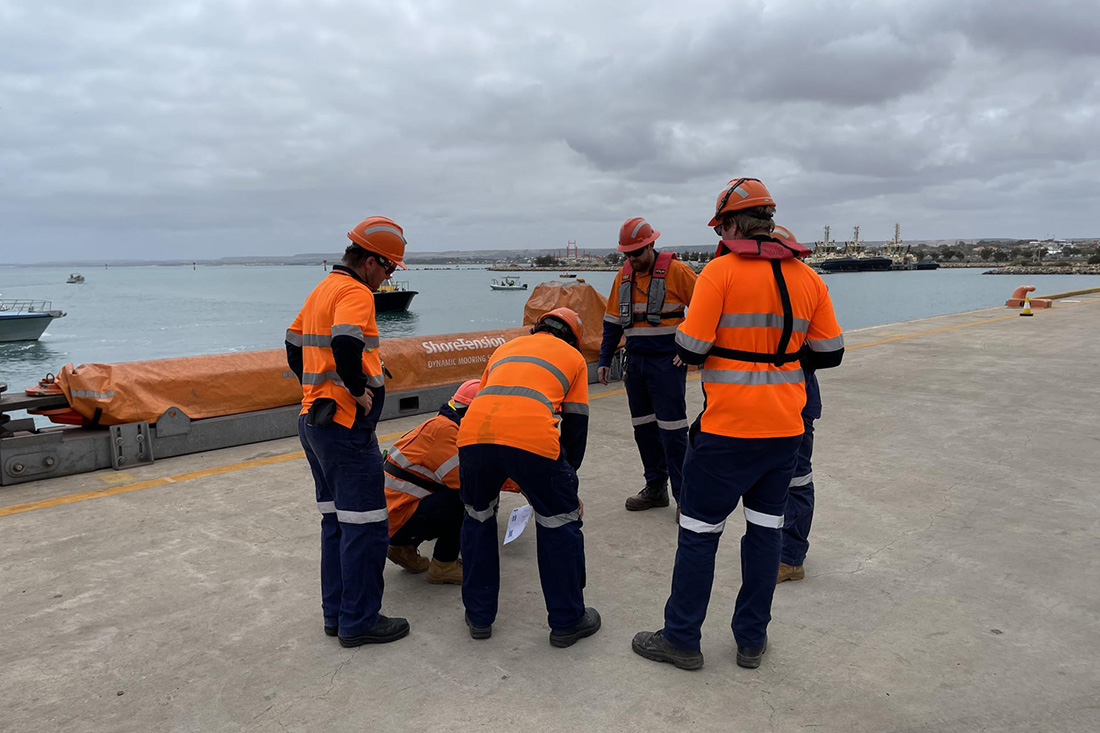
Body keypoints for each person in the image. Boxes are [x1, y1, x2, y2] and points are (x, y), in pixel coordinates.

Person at [631, 179, 844, 671]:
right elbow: (830, 353)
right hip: (785, 430)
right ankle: (751, 640)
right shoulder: (808, 277)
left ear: (729, 226)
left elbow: (688, 349)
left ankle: (681, 638)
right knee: (766, 532)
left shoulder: (719, 273)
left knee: (699, 533)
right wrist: (781, 356)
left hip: (727, 432)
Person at [285, 215, 410, 648]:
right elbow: (345, 344)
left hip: (312, 421)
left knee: (336, 523)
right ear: (371, 261)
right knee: (368, 525)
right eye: (390, 268)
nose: (388, 277)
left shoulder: (322, 289)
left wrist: (315, 385)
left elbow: (292, 343)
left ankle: (336, 615)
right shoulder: (356, 292)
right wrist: (355, 391)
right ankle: (360, 621)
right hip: (342, 426)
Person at [456, 307, 600, 647]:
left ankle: (478, 616)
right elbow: (576, 425)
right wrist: (567, 480)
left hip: (474, 435)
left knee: (477, 519)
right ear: (573, 338)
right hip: (532, 440)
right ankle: (567, 621)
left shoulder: (505, 348)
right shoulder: (573, 358)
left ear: (538, 328)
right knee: (558, 523)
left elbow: (487, 396)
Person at [597, 217, 697, 512]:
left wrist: (689, 349)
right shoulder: (623, 278)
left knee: (673, 432)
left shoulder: (677, 272)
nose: (632, 259)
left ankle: (685, 499)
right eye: (627, 254)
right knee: (644, 430)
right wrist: (604, 359)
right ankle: (655, 488)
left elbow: (708, 308)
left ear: (651, 245)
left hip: (667, 364)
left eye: (637, 253)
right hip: (636, 365)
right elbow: (612, 323)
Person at [383, 380, 481, 586]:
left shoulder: (440, 423)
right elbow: (466, 483)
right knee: (465, 498)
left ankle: (402, 548)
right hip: (398, 518)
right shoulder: (446, 432)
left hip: (391, 516)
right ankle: (444, 565)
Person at [769, 226, 821, 585]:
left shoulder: (801, 287)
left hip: (792, 399)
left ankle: (791, 558)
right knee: (786, 479)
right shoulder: (808, 285)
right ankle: (784, 551)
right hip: (783, 398)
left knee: (796, 479)